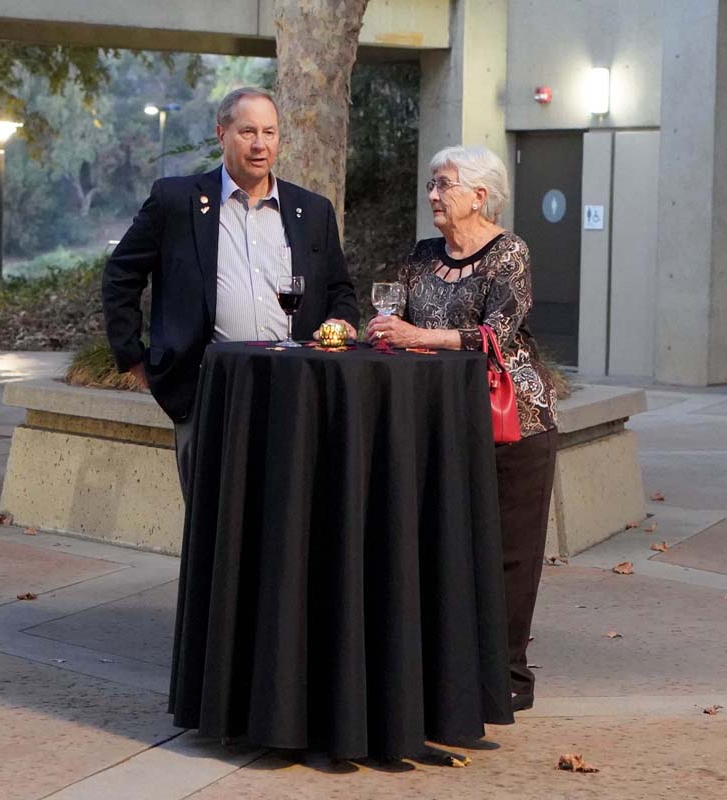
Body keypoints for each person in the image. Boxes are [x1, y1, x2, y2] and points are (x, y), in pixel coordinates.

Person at [366, 144, 559, 713]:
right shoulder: (421, 256)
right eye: (430, 184)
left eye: (444, 184)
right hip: (436, 422)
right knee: (436, 546)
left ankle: (506, 678)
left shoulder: (509, 253)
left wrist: (415, 336)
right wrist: (376, 329)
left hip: (510, 422)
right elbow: (389, 320)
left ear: (480, 195)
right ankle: (438, 670)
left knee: (508, 553)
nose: (433, 195)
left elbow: (496, 334)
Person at [103, 87, 359, 496]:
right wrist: (134, 358)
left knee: (288, 516)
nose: (260, 144)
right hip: (209, 389)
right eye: (248, 132)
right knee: (212, 520)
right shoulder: (176, 201)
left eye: (270, 132)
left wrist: (339, 322)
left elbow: (339, 289)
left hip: (295, 388)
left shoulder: (312, 210)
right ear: (221, 134)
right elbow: (121, 275)